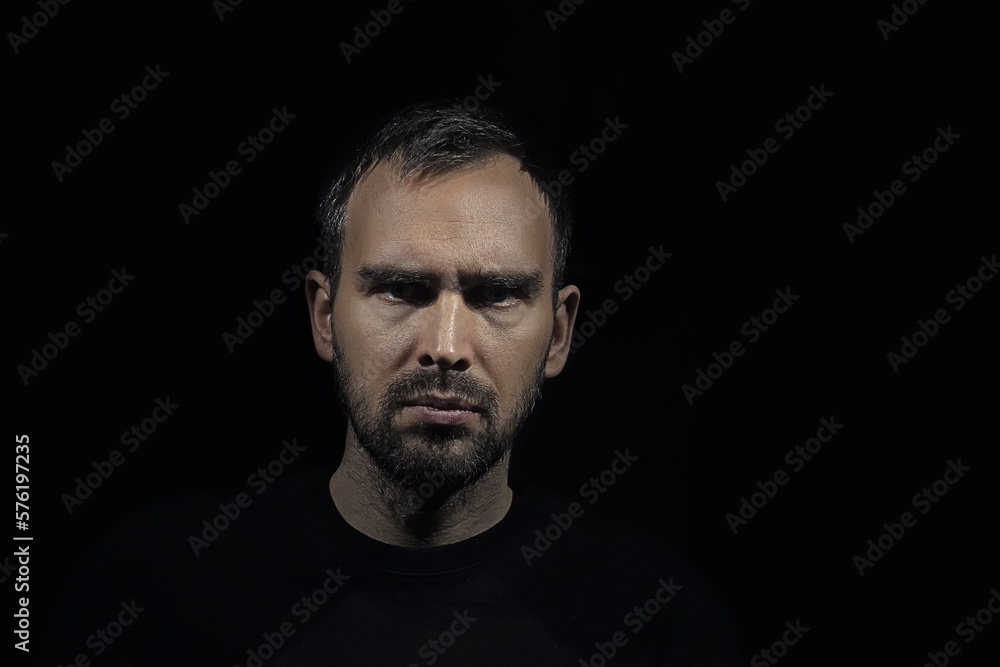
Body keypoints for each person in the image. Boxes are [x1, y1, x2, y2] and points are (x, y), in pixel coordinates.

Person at [42, 101, 743, 666]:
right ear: (324, 315)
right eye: (401, 290)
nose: (444, 347)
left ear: (558, 333)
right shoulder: (149, 586)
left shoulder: (657, 620)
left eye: (497, 294)